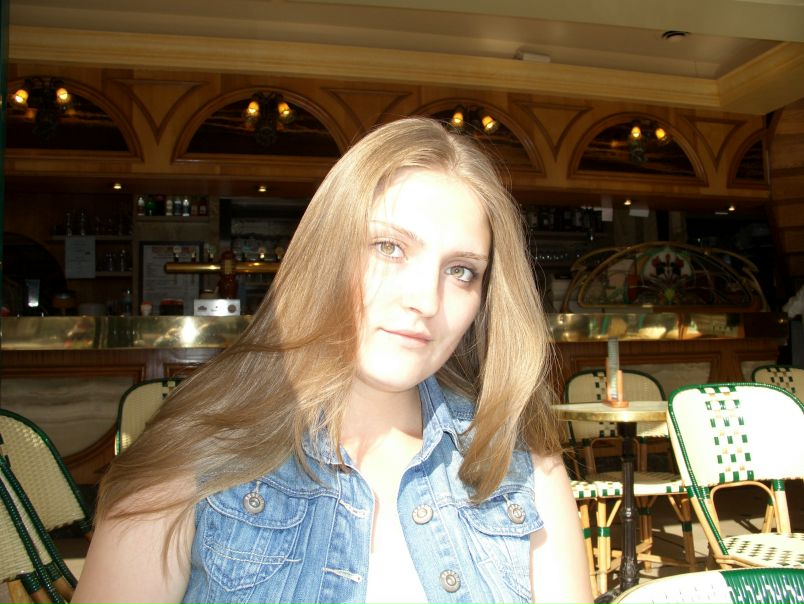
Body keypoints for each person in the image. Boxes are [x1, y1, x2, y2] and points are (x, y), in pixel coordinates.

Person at [73, 117, 593, 604]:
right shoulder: (187, 464)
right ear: (325, 252)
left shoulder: (522, 470)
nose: (426, 301)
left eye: (460, 271)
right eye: (389, 247)